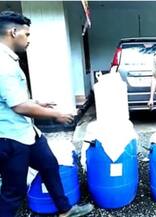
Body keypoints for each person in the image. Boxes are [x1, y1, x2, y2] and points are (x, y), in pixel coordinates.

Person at [0, 11, 93, 217]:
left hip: (27, 133)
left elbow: (11, 98)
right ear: (13, 32)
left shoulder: (9, 59)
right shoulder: (3, 64)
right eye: (27, 35)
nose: (29, 40)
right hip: (11, 138)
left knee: (49, 165)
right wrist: (55, 115)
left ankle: (65, 210)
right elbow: (18, 106)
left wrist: (36, 103)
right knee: (12, 191)